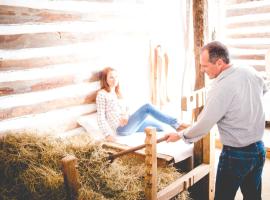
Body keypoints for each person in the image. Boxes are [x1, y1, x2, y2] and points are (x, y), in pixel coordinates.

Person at [166, 41, 268, 200]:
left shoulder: (221, 87)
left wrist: (180, 135)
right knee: (253, 196)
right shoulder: (249, 70)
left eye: (205, 66)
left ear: (219, 62)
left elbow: (205, 124)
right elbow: (264, 89)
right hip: (258, 150)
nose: (202, 70)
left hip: (236, 155)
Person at [96, 67, 189, 142]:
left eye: (116, 76)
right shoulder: (102, 94)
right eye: (111, 77)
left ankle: (176, 127)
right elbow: (100, 117)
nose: (115, 79)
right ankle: (177, 124)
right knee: (147, 108)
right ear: (105, 79)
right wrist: (108, 135)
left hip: (129, 123)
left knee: (161, 127)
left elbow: (127, 108)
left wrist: (126, 115)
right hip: (121, 128)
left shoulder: (118, 93)